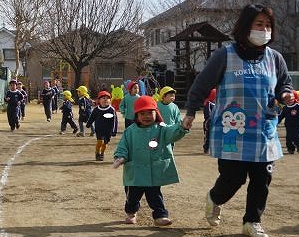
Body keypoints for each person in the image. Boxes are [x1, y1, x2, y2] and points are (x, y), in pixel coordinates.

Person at [182, 4, 293, 237]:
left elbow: (284, 83)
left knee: (262, 180)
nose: (264, 30)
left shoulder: (275, 58)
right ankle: (215, 198)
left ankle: (252, 221)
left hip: (263, 131)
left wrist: (285, 94)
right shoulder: (225, 55)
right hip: (232, 131)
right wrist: (191, 111)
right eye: (259, 24)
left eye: (268, 25)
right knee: (232, 180)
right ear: (245, 26)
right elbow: (201, 85)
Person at [112, 95, 187, 226]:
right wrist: (120, 157)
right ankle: (131, 213)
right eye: (142, 113)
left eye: (150, 113)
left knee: (155, 195)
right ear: (136, 115)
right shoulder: (130, 131)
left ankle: (160, 216)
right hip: (135, 172)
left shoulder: (161, 129)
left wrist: (182, 127)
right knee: (132, 197)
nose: (146, 116)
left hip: (153, 172)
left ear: (156, 113)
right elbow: (123, 146)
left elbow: (173, 132)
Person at [86, 90, 119, 160]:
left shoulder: (111, 110)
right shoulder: (96, 109)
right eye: (103, 98)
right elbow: (92, 117)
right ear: (99, 100)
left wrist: (114, 131)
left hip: (108, 130)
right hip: (99, 129)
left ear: (110, 100)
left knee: (105, 143)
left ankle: (102, 153)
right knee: (99, 142)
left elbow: (114, 121)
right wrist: (88, 124)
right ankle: (97, 153)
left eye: (107, 98)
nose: (105, 99)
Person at [202, 88, 216, 154]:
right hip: (209, 122)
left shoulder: (216, 103)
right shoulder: (208, 103)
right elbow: (208, 114)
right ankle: (206, 148)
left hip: (215, 122)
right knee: (208, 136)